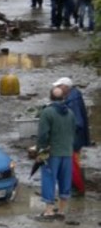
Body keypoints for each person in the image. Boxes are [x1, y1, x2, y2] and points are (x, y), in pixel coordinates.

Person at [34, 86, 76, 220]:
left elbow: (43, 135)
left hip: (52, 153)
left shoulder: (47, 112)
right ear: (63, 97)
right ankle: (62, 210)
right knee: (65, 180)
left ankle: (49, 210)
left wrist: (40, 151)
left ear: (50, 98)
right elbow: (73, 131)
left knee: (48, 179)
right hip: (67, 152)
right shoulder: (70, 113)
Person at [53, 76, 92, 194]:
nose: (57, 89)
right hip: (76, 137)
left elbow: (77, 122)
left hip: (73, 138)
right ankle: (75, 186)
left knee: (72, 163)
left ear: (65, 87)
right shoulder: (73, 96)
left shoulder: (72, 101)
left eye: (59, 86)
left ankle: (77, 188)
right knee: (74, 161)